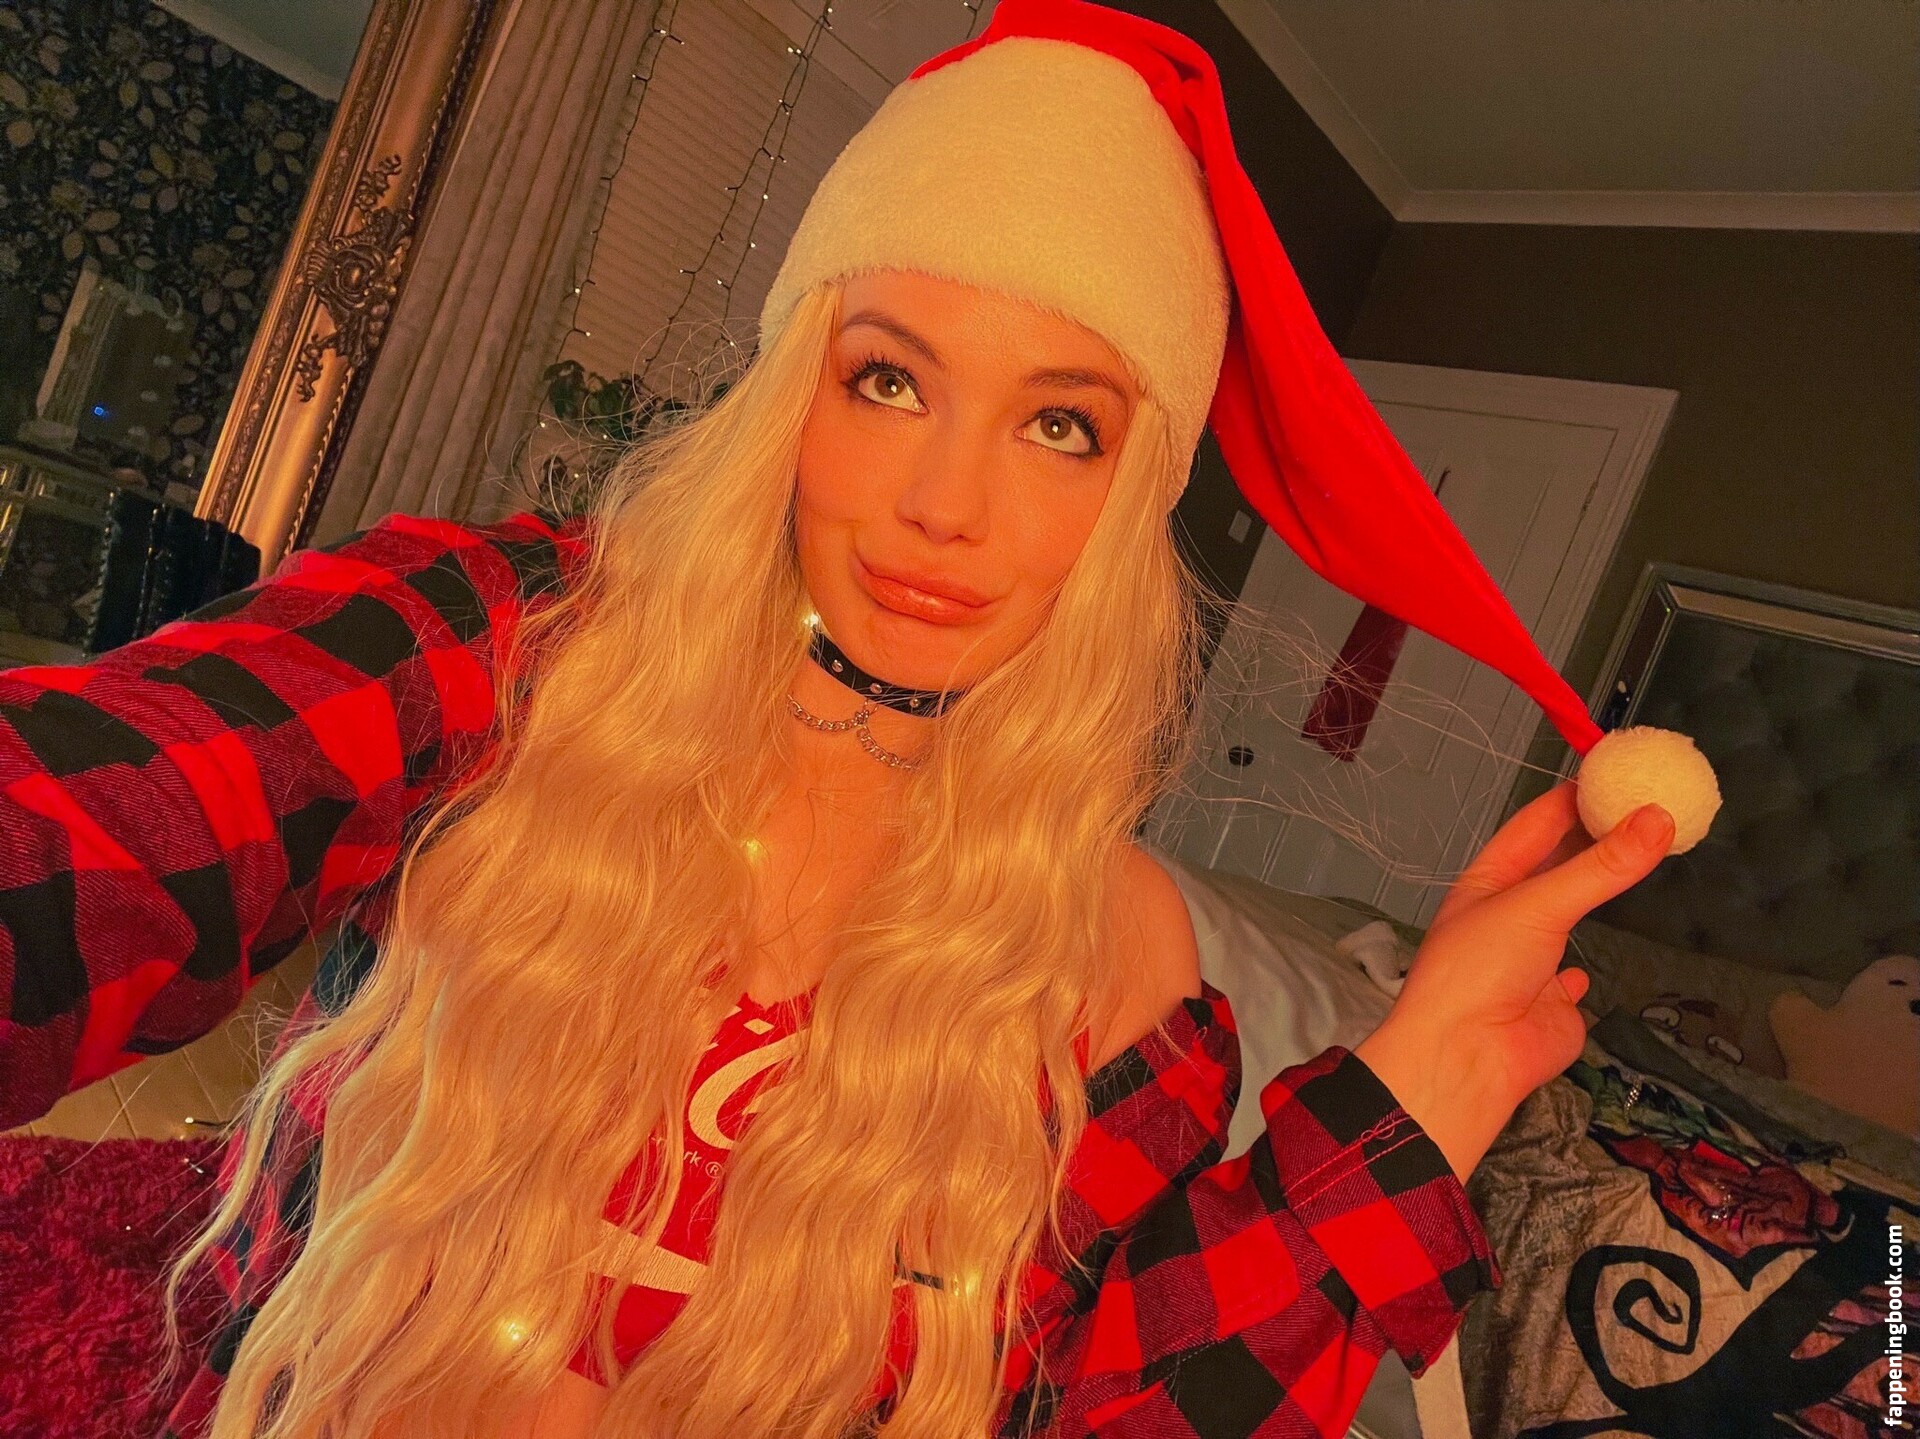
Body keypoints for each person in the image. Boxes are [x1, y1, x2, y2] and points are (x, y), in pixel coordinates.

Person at [0, 2, 1680, 1436]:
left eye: (1061, 426)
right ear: (792, 387)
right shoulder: (510, 652)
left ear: (1133, 498)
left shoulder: (1124, 975)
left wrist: (1420, 1086)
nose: (945, 504)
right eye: (890, 379)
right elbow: (95, 825)